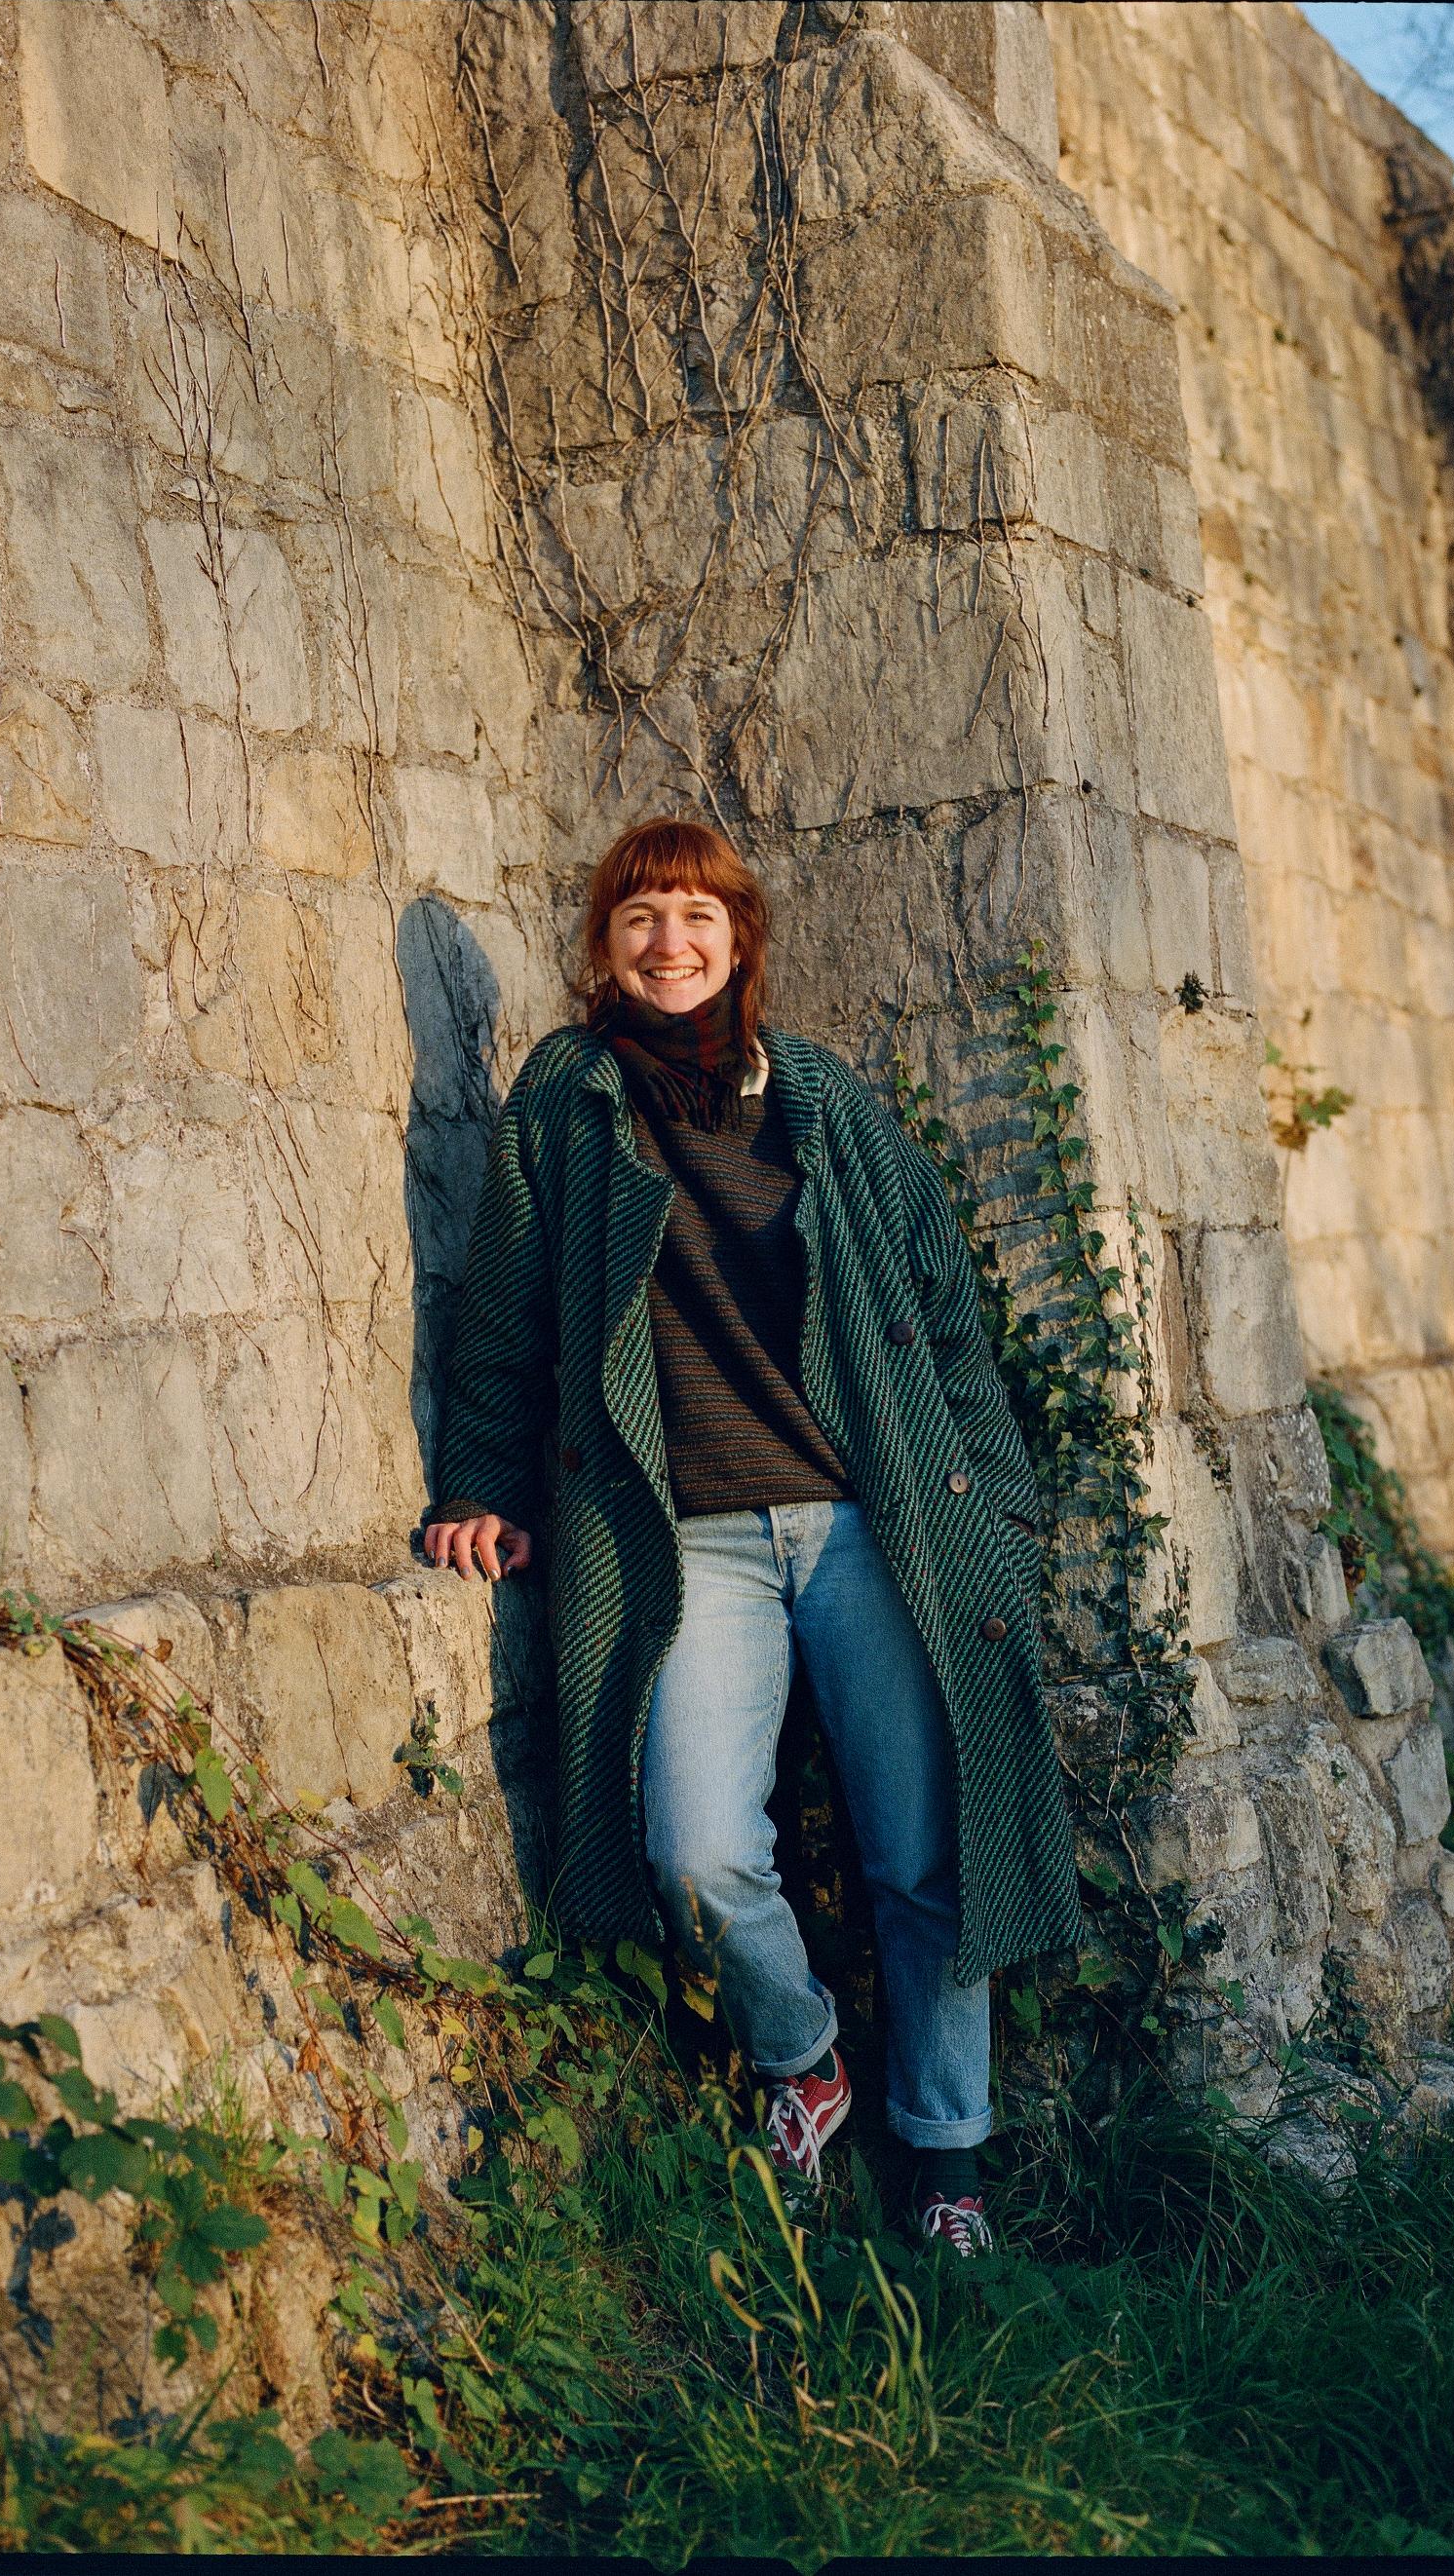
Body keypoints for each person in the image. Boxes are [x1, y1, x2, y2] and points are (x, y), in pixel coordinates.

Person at [414, 815, 1080, 2255]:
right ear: (606, 944)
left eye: (697, 919)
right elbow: (508, 1311)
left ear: (740, 942)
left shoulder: (825, 1103)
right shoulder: (565, 1098)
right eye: (642, 916)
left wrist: (1001, 1504)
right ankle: (803, 2062)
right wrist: (479, 1481)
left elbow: (946, 1319)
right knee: (701, 1852)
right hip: (685, 1540)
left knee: (928, 1857)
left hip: (867, 1526)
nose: (670, 943)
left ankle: (948, 2155)